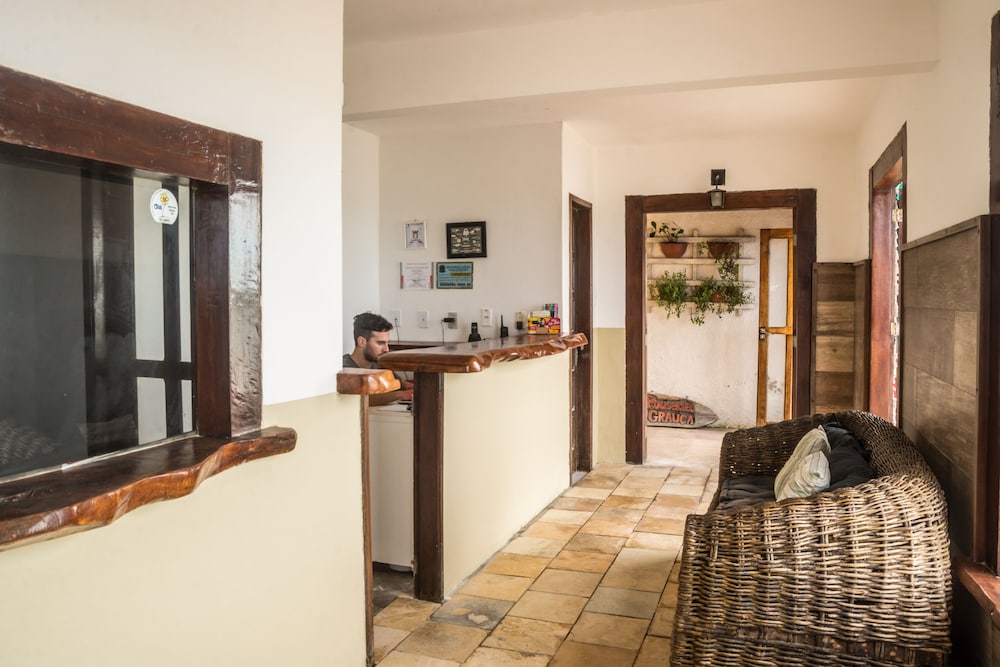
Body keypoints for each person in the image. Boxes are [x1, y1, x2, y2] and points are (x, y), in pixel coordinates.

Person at [344, 312, 414, 405]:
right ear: (362, 342)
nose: (386, 349)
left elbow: (398, 383)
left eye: (387, 343)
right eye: (380, 343)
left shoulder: (378, 364)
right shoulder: (345, 369)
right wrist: (401, 395)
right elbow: (360, 399)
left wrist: (407, 385)